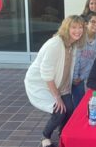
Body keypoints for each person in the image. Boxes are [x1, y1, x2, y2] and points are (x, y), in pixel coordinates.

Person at [24, 15, 85, 147]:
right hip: (42, 84)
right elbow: (46, 74)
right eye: (74, 27)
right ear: (66, 28)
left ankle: (62, 133)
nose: (78, 31)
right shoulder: (55, 44)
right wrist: (57, 97)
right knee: (59, 110)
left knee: (70, 109)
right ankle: (45, 137)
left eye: (80, 27)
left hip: (61, 85)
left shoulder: (72, 44)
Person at [72, 13, 96, 108]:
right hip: (73, 74)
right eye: (93, 22)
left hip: (84, 77)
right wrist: (75, 76)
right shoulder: (80, 37)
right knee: (75, 104)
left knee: (85, 102)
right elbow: (76, 58)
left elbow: (93, 62)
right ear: (86, 24)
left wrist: (81, 77)